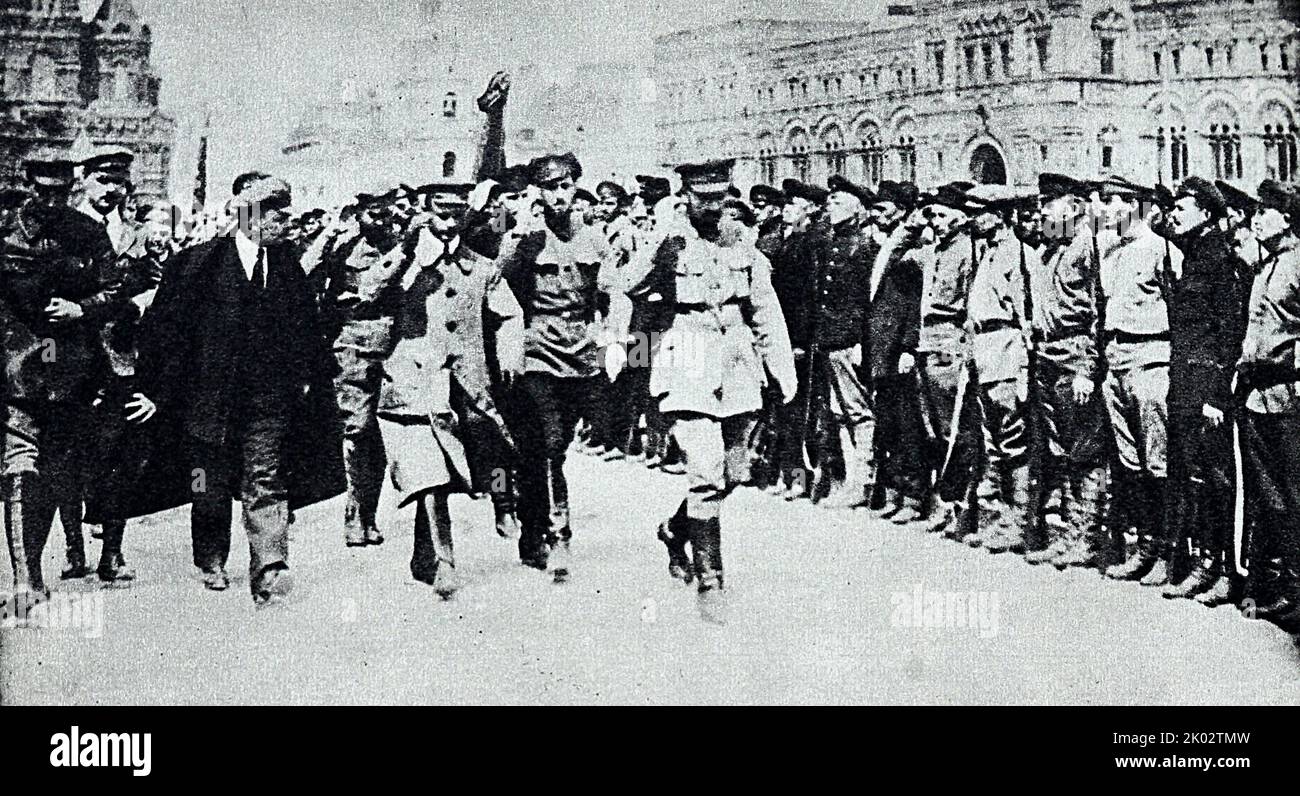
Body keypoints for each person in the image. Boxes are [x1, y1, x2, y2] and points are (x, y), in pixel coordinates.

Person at [612, 158, 796, 621]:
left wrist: (780, 370)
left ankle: (676, 530)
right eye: (703, 199)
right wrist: (656, 245)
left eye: (721, 198)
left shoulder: (744, 245)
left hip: (736, 368)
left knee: (733, 474)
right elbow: (621, 283)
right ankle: (711, 580)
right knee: (706, 472)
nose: (714, 208)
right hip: (686, 362)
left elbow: (765, 311)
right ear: (685, 197)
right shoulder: (668, 242)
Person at [134, 175, 321, 605]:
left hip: (268, 399)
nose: (285, 220)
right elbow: (168, 332)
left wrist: (306, 378)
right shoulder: (200, 263)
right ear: (248, 216)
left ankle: (270, 568)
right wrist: (156, 391)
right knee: (209, 485)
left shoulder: (288, 264)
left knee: (265, 478)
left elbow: (306, 327)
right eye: (276, 212)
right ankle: (211, 557)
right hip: (208, 397)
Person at [371, 183, 524, 596]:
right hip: (412, 384)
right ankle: (443, 561)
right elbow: (370, 290)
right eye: (441, 209)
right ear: (425, 210)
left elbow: (509, 313)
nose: (448, 219)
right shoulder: (404, 259)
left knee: (488, 448)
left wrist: (510, 353)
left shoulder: (480, 265)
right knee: (429, 475)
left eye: (458, 211)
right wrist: (406, 251)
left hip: (466, 385)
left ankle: (498, 507)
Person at [1, 158, 121, 618]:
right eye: (43, 191)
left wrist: (81, 307)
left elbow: (116, 290)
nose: (51, 201)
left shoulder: (88, 232)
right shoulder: (4, 227)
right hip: (15, 365)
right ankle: (22, 579)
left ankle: (33, 565)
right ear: (26, 184)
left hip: (70, 372)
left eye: (61, 192)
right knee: (19, 465)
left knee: (50, 474)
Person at [497, 152, 614, 579]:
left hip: (582, 352)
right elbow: (497, 284)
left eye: (566, 186)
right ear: (538, 192)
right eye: (551, 187)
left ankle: (535, 526)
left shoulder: (595, 235)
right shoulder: (524, 236)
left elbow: (609, 296)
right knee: (545, 443)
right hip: (537, 351)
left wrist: (612, 345)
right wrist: (518, 240)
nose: (560, 195)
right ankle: (555, 533)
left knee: (558, 448)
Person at [1160, 177, 1247, 602]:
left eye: (1183, 206)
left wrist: (1217, 395)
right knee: (1191, 474)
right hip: (1183, 380)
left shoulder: (1219, 260)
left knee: (1215, 478)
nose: (1174, 212)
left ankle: (1224, 569)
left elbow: (1231, 332)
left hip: (1206, 385)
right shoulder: (1191, 255)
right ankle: (1201, 561)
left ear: (1207, 215)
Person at [301, 192, 403, 548]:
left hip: (394, 348)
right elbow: (305, 272)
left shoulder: (402, 245)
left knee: (380, 434)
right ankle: (355, 511)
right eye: (373, 214)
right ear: (358, 214)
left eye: (386, 212)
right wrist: (329, 232)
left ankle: (368, 512)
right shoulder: (343, 248)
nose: (382, 220)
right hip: (352, 348)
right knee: (357, 430)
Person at [1095, 177, 1183, 585]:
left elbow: (1182, 313)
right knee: (1129, 462)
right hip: (1117, 361)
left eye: (1112, 202)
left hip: (1151, 360)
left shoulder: (1163, 251)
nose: (1105, 210)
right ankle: (1144, 546)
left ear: (1135, 205)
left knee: (1158, 462)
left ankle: (1168, 552)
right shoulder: (1112, 251)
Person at [80, 203, 173, 585]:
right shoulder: (83, 233)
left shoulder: (153, 257)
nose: (160, 232)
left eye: (168, 225)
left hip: (128, 368)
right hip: (84, 365)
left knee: (122, 459)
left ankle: (111, 552)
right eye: (157, 223)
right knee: (81, 460)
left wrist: (148, 300)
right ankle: (75, 545)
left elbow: (168, 303)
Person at [1021, 173, 1109, 569]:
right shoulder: (1049, 249)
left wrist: (1088, 368)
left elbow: (1098, 313)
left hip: (1075, 356)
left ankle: (1086, 538)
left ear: (1073, 207)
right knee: (1060, 448)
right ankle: (1070, 533)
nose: (1041, 210)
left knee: (1085, 450)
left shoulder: (1089, 245)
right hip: (1047, 355)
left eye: (1049, 203)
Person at [1235, 180, 1300, 627]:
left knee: (1295, 494)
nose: (1256, 218)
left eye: (1266, 211)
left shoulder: (1297, 263)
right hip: (1258, 395)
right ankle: (1280, 585)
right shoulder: (1266, 265)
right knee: (1269, 496)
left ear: (1288, 218)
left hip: (1289, 394)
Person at [914, 182, 982, 540]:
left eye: (941, 215)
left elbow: (970, 305)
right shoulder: (932, 250)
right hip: (927, 343)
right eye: (933, 216)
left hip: (949, 346)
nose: (935, 222)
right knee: (936, 432)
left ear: (959, 218)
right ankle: (946, 502)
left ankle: (964, 507)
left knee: (958, 432)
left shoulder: (967, 251)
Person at [863, 181, 927, 523]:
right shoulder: (879, 245)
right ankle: (891, 491)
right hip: (879, 347)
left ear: (901, 213)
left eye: (883, 210)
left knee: (907, 424)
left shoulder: (912, 247)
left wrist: (907, 345)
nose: (876, 216)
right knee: (886, 423)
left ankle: (914, 495)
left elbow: (916, 302)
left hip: (899, 349)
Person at [814, 175, 876, 509]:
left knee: (857, 412)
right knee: (836, 414)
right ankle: (843, 480)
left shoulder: (863, 246)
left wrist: (857, 342)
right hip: (827, 339)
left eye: (838, 201)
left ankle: (862, 482)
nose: (830, 205)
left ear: (855, 208)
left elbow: (864, 302)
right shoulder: (832, 242)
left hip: (847, 341)